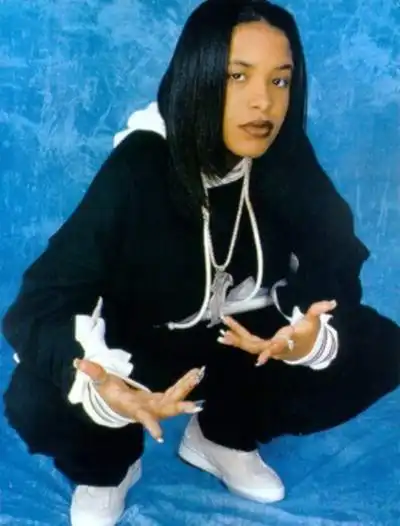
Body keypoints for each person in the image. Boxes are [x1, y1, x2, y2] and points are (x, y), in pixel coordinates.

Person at [2, 0, 399, 525]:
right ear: (199, 76)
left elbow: (336, 252)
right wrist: (103, 387)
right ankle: (108, 466)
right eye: (238, 76)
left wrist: (305, 334)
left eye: (280, 81)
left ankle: (222, 437)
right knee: (36, 396)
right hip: (142, 351)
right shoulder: (140, 166)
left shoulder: (283, 154)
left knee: (379, 347)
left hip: (241, 345)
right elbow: (40, 303)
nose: (263, 102)